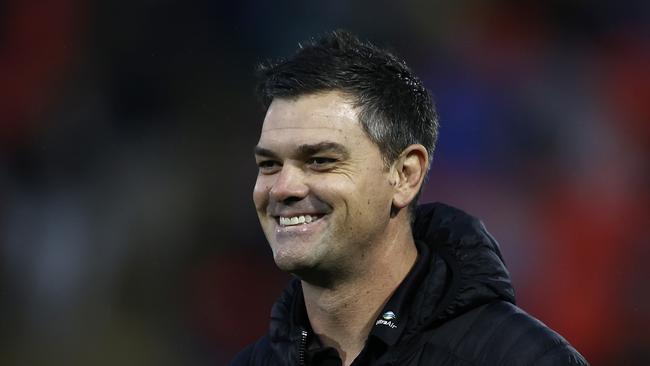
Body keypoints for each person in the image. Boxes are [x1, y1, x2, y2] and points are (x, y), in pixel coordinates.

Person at [230, 30, 588, 366]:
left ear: (405, 175)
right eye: (270, 164)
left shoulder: (522, 358)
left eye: (321, 161)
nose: (282, 188)